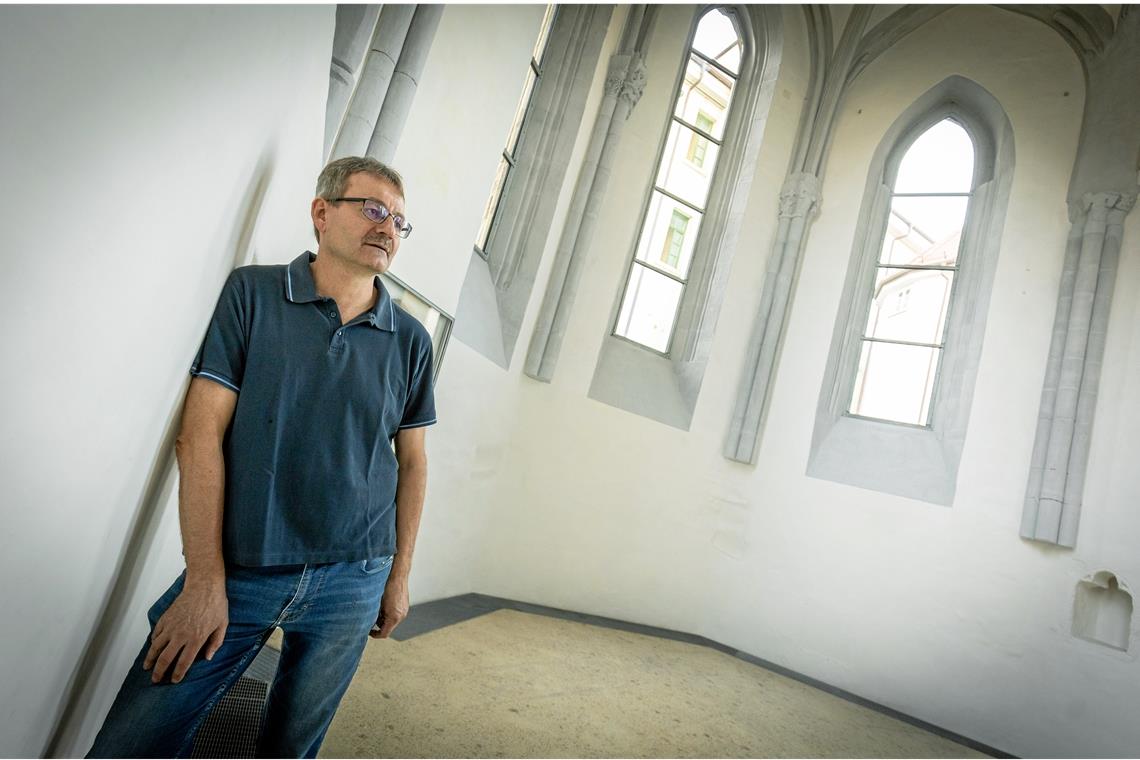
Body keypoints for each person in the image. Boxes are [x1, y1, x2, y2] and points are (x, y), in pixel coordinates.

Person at [86, 156, 436, 758]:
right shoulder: (252, 292)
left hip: (356, 576)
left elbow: (412, 462)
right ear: (322, 213)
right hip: (243, 565)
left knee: (290, 750)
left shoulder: (412, 340)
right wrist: (203, 580)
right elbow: (198, 435)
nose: (387, 228)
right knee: (134, 742)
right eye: (373, 209)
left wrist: (398, 575)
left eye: (400, 221)